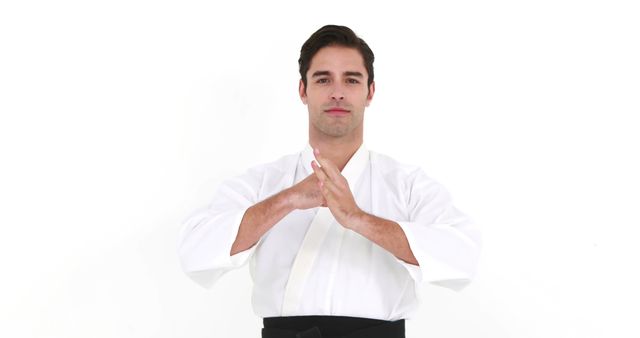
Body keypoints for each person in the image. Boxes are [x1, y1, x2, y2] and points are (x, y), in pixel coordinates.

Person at [178, 25, 482, 338]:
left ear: (370, 92)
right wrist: (288, 199)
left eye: (351, 80)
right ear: (303, 91)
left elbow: (463, 255)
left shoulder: (406, 184)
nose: (337, 92)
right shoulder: (264, 182)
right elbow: (195, 250)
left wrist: (358, 219)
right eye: (323, 79)